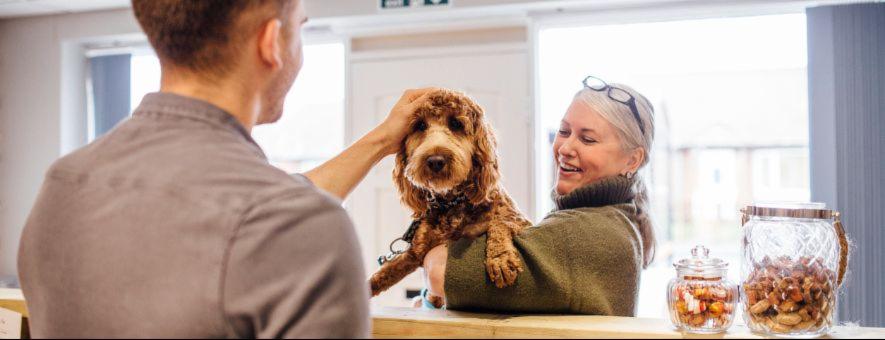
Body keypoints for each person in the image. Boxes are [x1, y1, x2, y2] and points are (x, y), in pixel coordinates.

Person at [17, 0, 434, 337]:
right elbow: (273, 215)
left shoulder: (63, 185)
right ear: (272, 41)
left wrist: (382, 140)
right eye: (301, 27)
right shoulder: (301, 225)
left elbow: (258, 208)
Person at [422, 76, 656, 316]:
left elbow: (440, 273)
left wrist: (430, 252)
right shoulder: (617, 219)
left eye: (587, 139)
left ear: (632, 160)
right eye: (564, 131)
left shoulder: (584, 233)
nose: (564, 148)